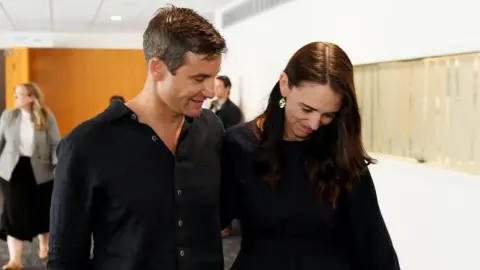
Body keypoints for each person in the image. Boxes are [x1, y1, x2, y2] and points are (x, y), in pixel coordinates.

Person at [48, 6, 227, 270]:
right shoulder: (86, 146)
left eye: (213, 77)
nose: (211, 91)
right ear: (157, 68)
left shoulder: (212, 129)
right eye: (199, 78)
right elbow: (65, 258)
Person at [220, 42, 400, 270]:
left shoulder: (339, 150)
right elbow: (207, 223)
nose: (315, 124)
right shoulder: (239, 145)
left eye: (328, 115)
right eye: (306, 109)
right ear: (285, 85)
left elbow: (374, 244)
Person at [0, 82, 60, 269]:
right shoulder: (8, 116)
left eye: (19, 94)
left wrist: (58, 167)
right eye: (14, 93)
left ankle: (45, 246)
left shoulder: (47, 116)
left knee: (42, 210)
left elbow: (55, 144)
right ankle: (15, 260)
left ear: (31, 97)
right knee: (13, 212)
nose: (15, 97)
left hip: (41, 171)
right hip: (13, 170)